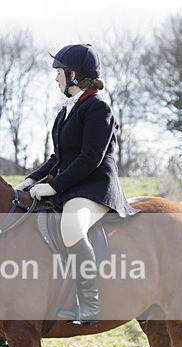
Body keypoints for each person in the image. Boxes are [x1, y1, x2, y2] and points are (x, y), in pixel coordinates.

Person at [18, 43, 133, 326]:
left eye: (58, 72)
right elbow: (58, 157)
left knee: (71, 225)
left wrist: (55, 187)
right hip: (72, 186)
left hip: (95, 188)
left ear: (72, 74)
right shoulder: (65, 111)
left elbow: (90, 158)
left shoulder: (98, 108)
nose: (55, 78)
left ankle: (91, 304)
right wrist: (32, 178)